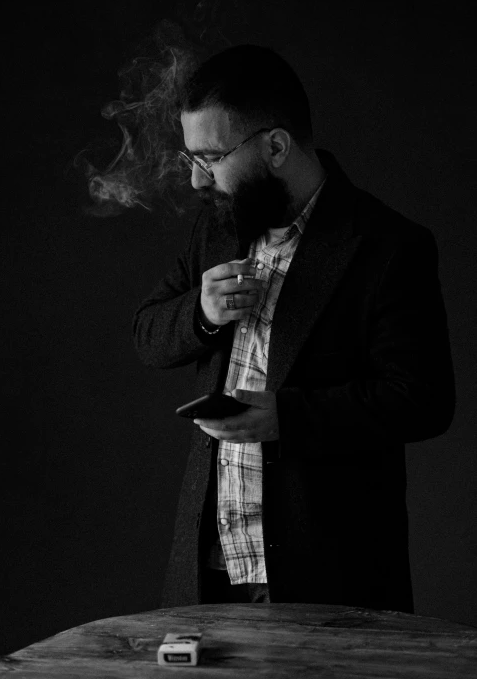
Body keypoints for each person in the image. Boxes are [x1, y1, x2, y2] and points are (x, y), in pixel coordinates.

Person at [133, 44, 455, 611]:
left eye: (209, 159)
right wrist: (202, 314)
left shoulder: (388, 246)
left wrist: (290, 417)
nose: (194, 182)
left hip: (329, 574)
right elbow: (148, 335)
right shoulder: (217, 229)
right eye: (190, 160)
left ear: (276, 146)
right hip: (211, 570)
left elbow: (424, 400)